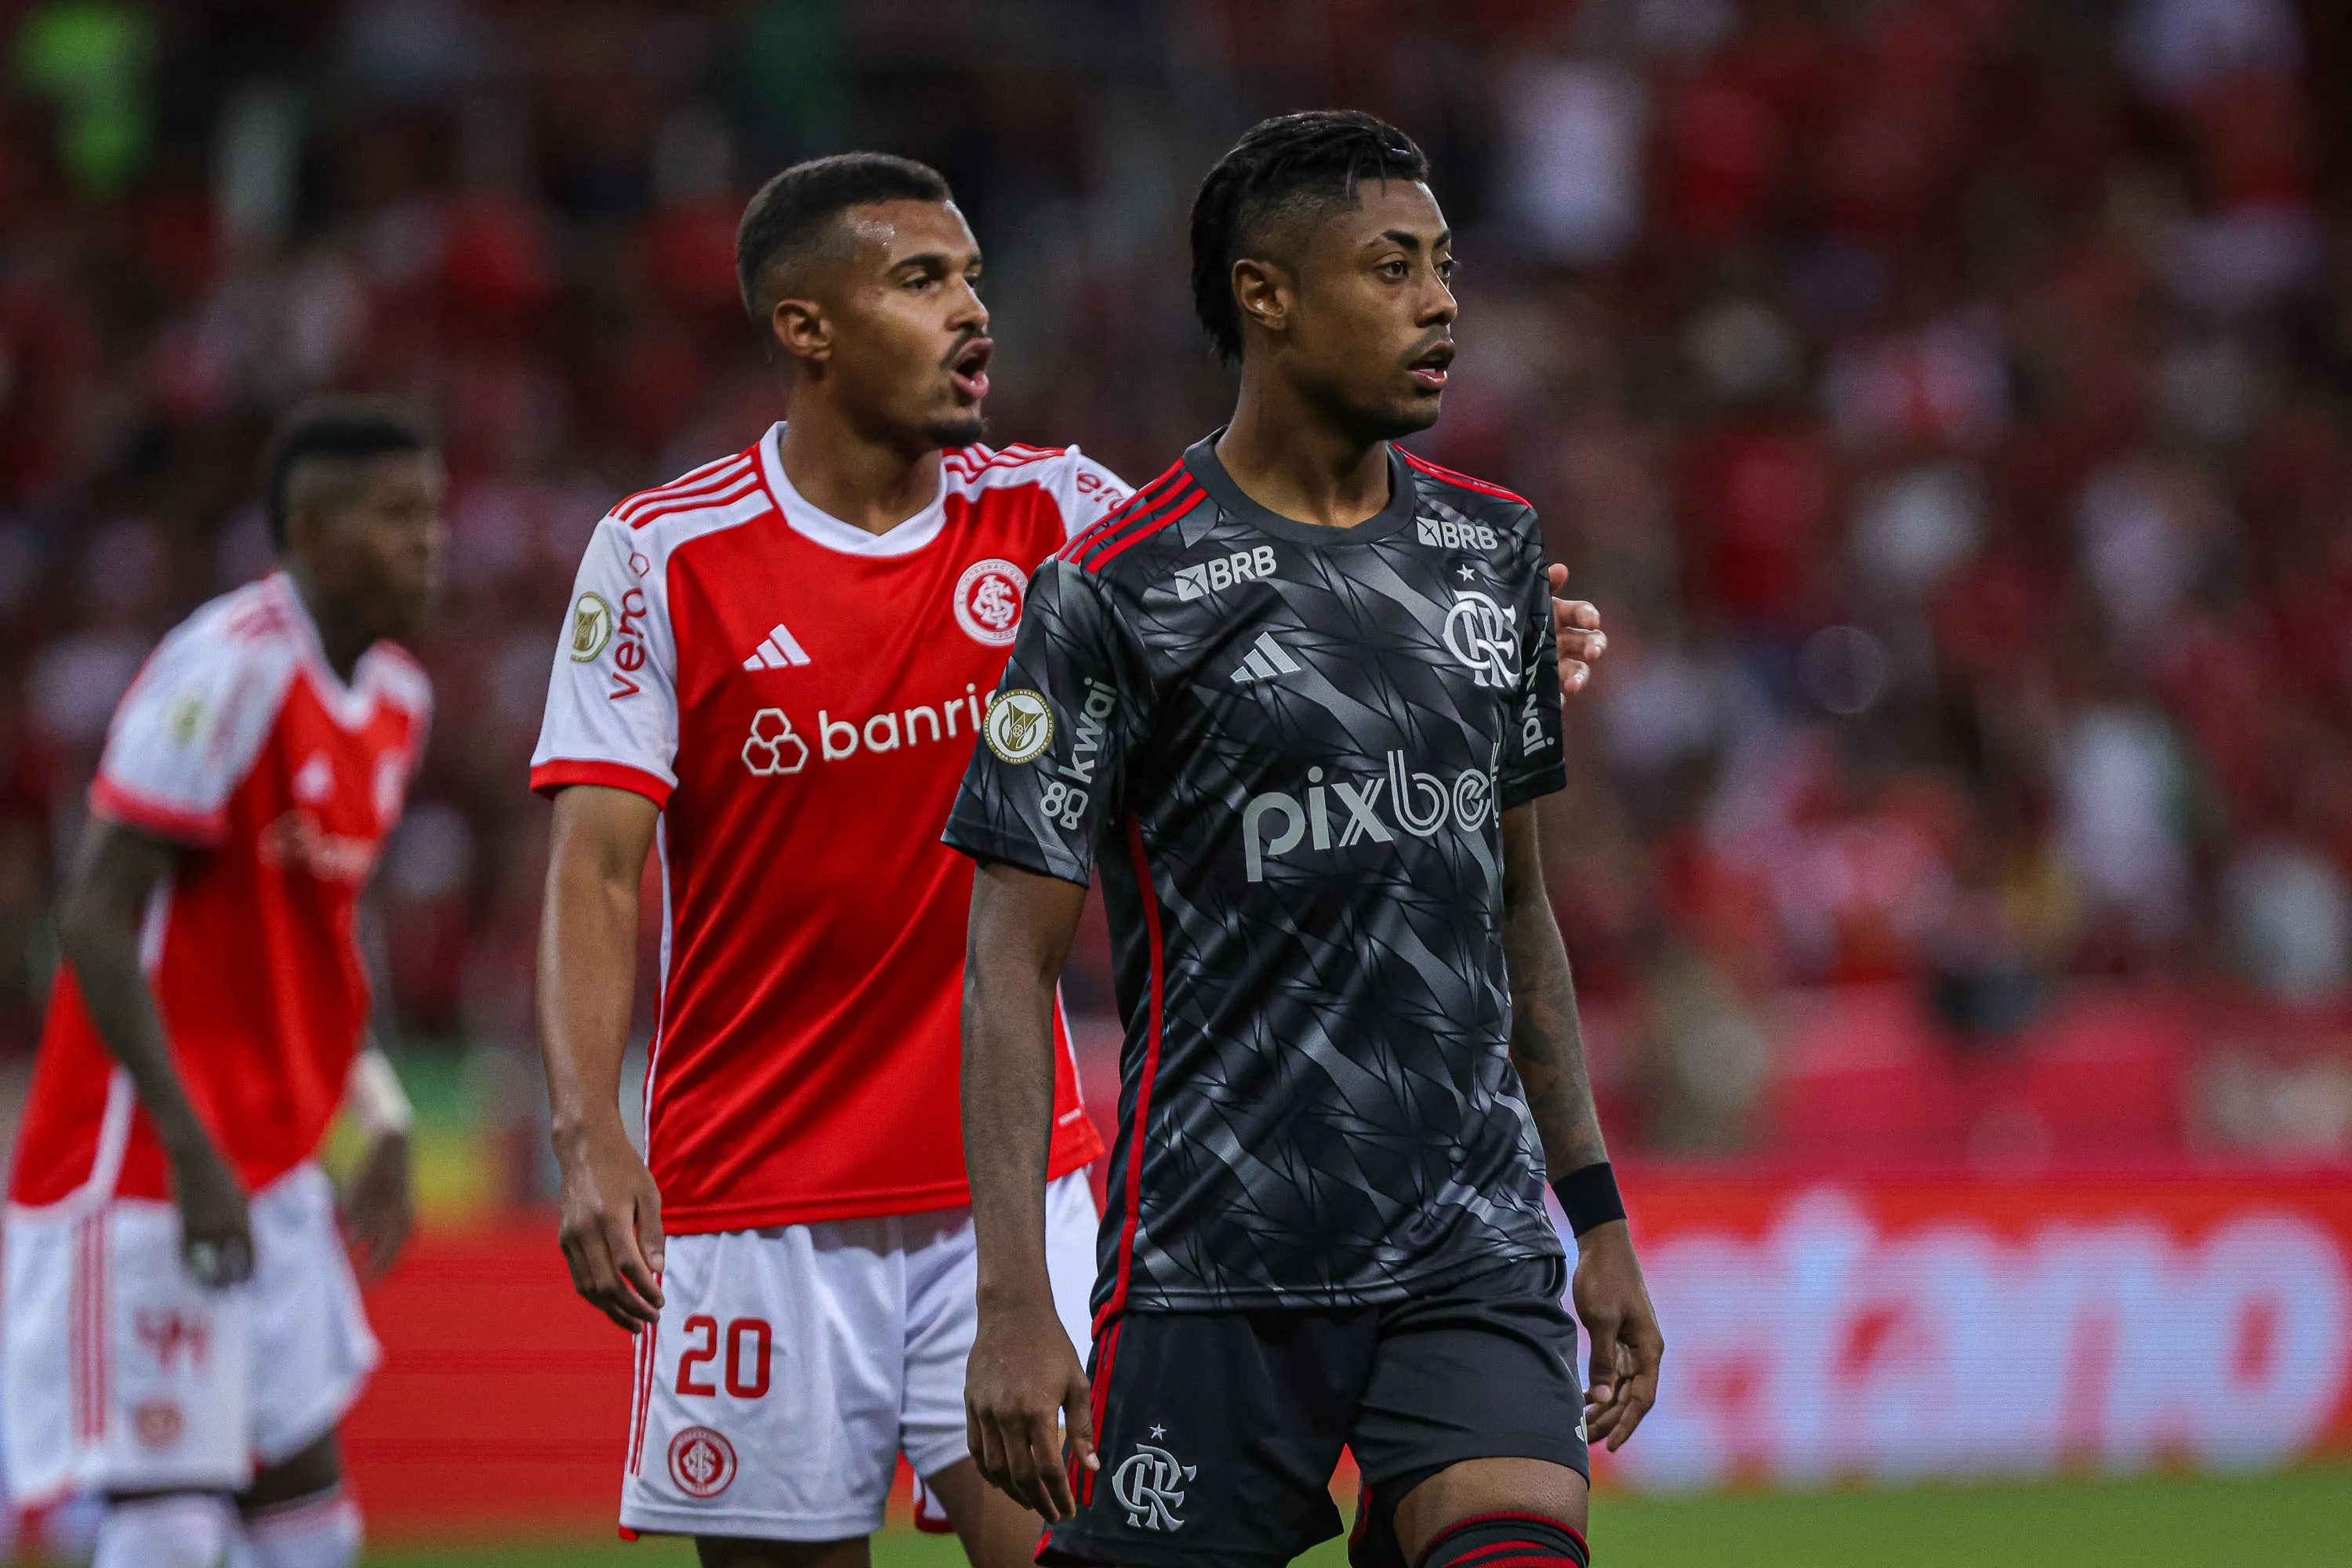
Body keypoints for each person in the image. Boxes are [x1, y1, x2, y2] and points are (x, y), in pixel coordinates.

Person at [530, 152, 1611, 1568]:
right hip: (757, 1198)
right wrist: (588, 1129)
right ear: (806, 328)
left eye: (975, 277)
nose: (975, 310)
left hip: (1021, 1188)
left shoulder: (1054, 513)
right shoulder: (665, 553)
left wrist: (1486, 632)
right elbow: (600, 868)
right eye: (925, 281)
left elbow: (1273, 570)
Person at [949, 111, 1664, 1568]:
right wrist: (1016, 1296)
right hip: (1216, 1262)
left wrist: (1592, 1214)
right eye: (1392, 267)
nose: (1442, 300)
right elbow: (1006, 968)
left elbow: (1516, 912)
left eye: (1446, 266)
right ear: (1266, 296)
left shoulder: (1495, 552)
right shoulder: (1110, 593)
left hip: (1467, 1242)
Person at [1, 398, 441, 1568]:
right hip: (146, 1166)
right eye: (396, 516)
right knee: (175, 1524)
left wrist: (381, 1111)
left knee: (310, 1518)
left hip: (274, 1164)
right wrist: (188, 1143)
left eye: (434, 515)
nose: (429, 542)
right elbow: (92, 913)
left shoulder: (400, 703)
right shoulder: (229, 669)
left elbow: (321, 937)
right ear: (308, 528)